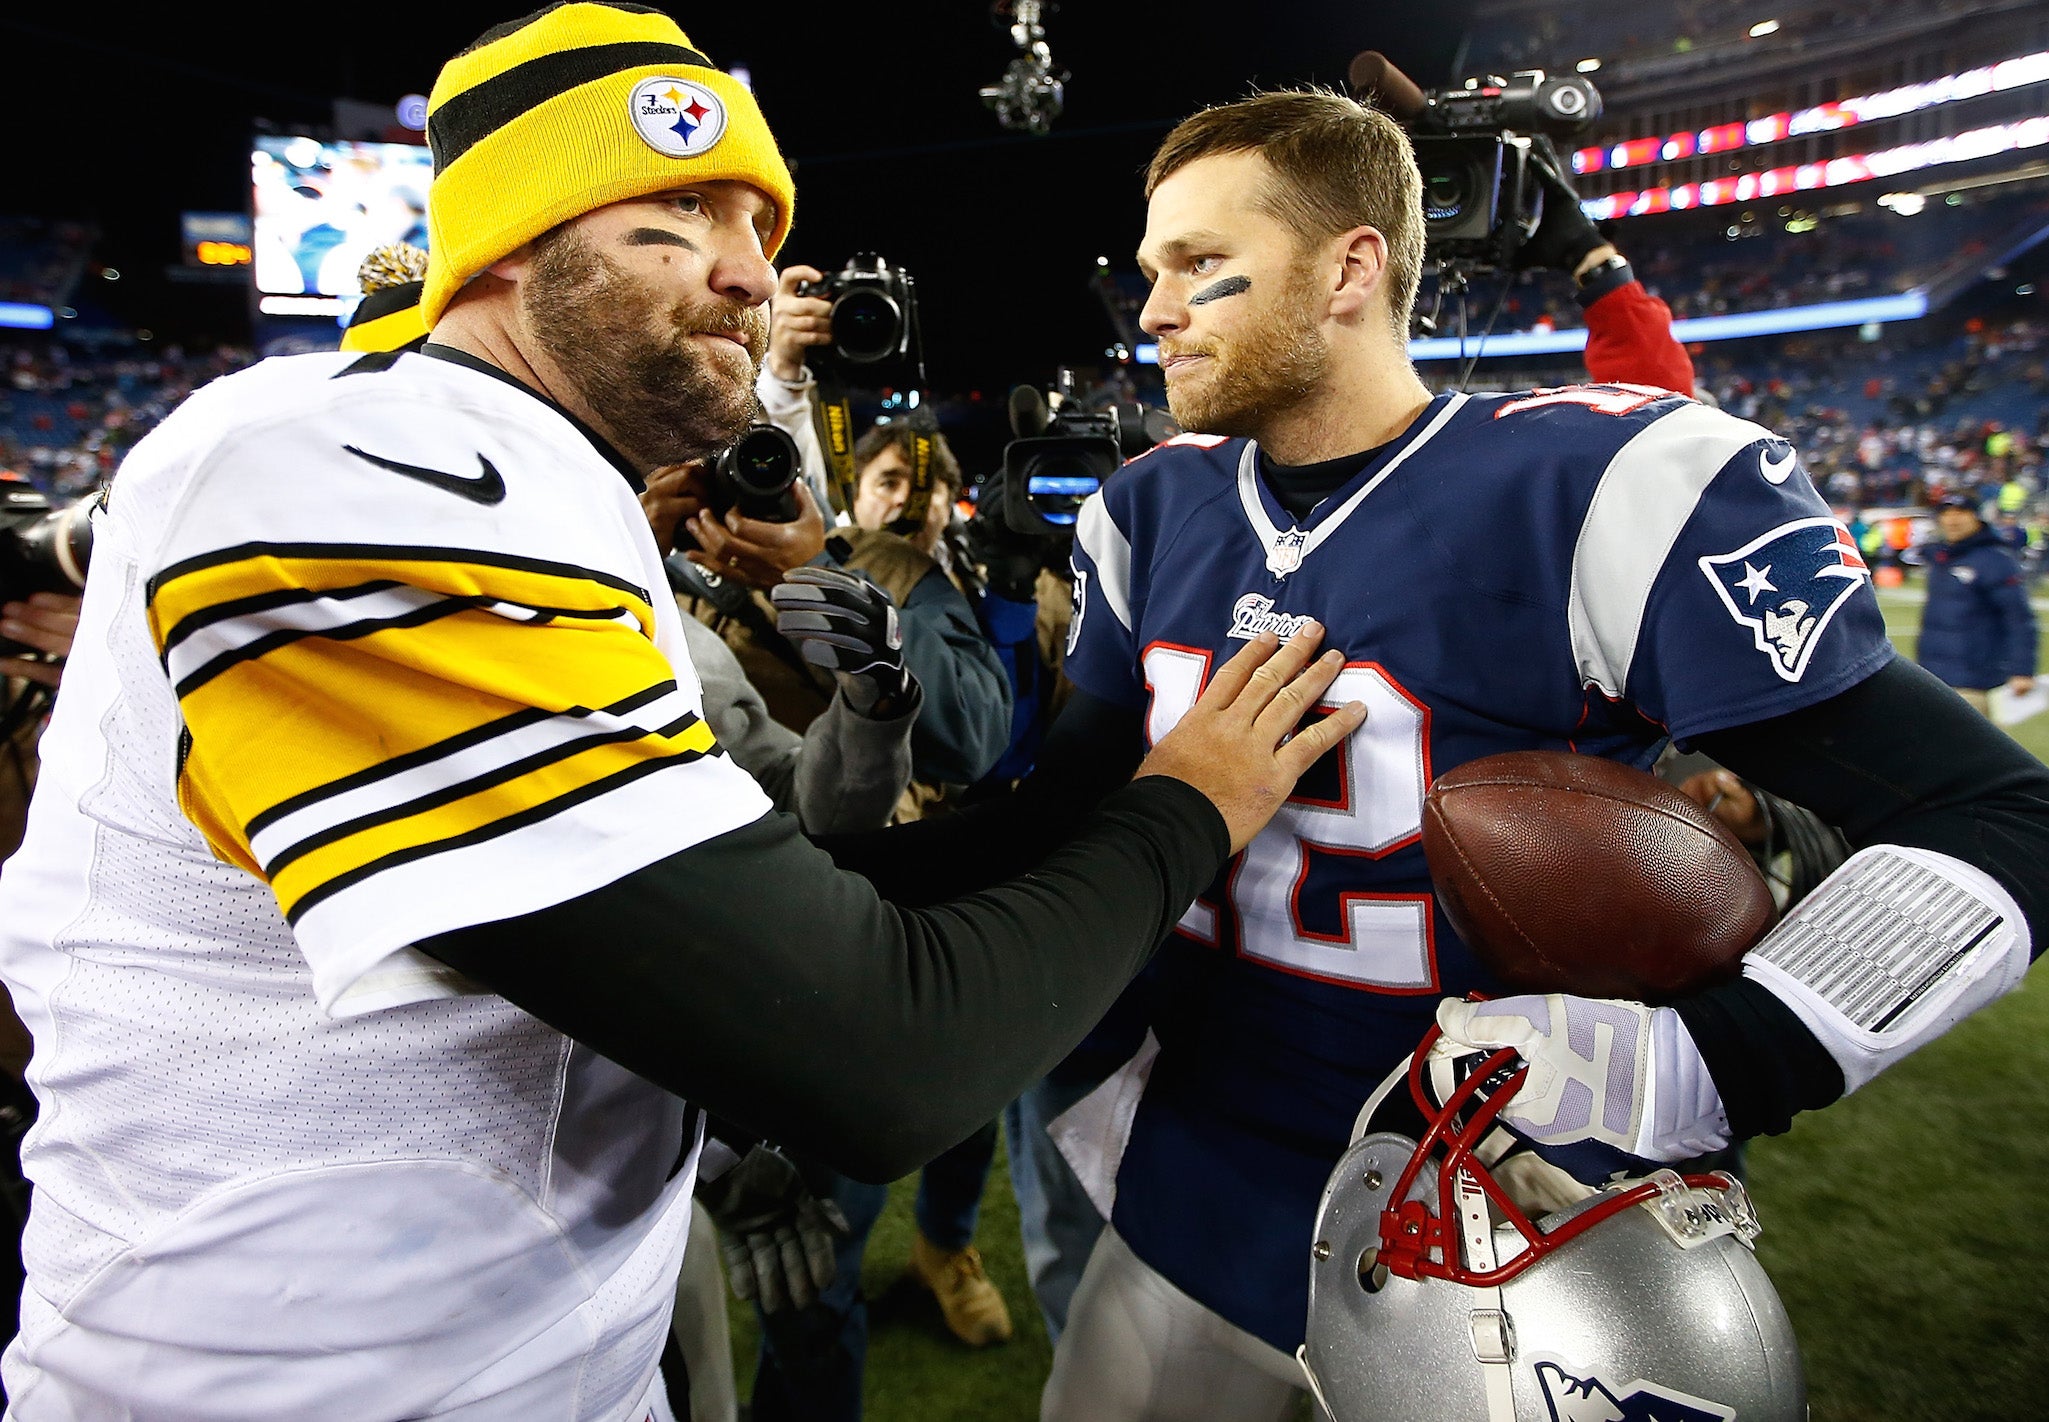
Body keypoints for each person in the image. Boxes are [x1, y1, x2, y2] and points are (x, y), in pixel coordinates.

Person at [0, 10, 1367, 1415]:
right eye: (678, 205)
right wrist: (1188, 808)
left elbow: (784, 898)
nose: (748, 269)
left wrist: (1072, 794)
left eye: (757, 221)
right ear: (509, 240)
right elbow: (886, 1059)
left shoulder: (546, 480)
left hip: (522, 1346)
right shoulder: (380, 463)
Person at [796, 89, 2049, 1421]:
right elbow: (1066, 806)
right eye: (1149, 271)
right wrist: (800, 886)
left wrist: (1715, 1057)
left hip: (1510, 1244)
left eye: (1197, 266)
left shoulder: (1602, 484)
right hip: (1189, 1190)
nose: (1151, 311)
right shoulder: (1144, 508)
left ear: (1350, 266)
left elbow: (2004, 816)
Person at [1916, 491, 2038, 716]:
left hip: (1972, 680)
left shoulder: (1995, 560)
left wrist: (2022, 669)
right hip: (1933, 677)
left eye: (1961, 512)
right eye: (1946, 513)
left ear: (1976, 517)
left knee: (1962, 748)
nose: (1952, 519)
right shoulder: (1943, 557)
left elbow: (2018, 617)